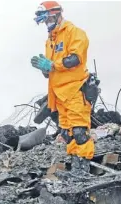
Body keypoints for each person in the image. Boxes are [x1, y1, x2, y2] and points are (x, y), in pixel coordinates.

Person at [31, 1, 94, 175]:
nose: (47, 23)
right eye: (44, 21)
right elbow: (50, 71)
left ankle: (83, 170)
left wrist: (52, 64)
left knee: (80, 131)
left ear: (57, 14)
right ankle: (76, 167)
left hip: (75, 90)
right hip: (59, 95)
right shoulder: (50, 41)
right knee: (68, 134)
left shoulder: (74, 33)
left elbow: (75, 59)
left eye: (48, 18)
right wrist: (45, 68)